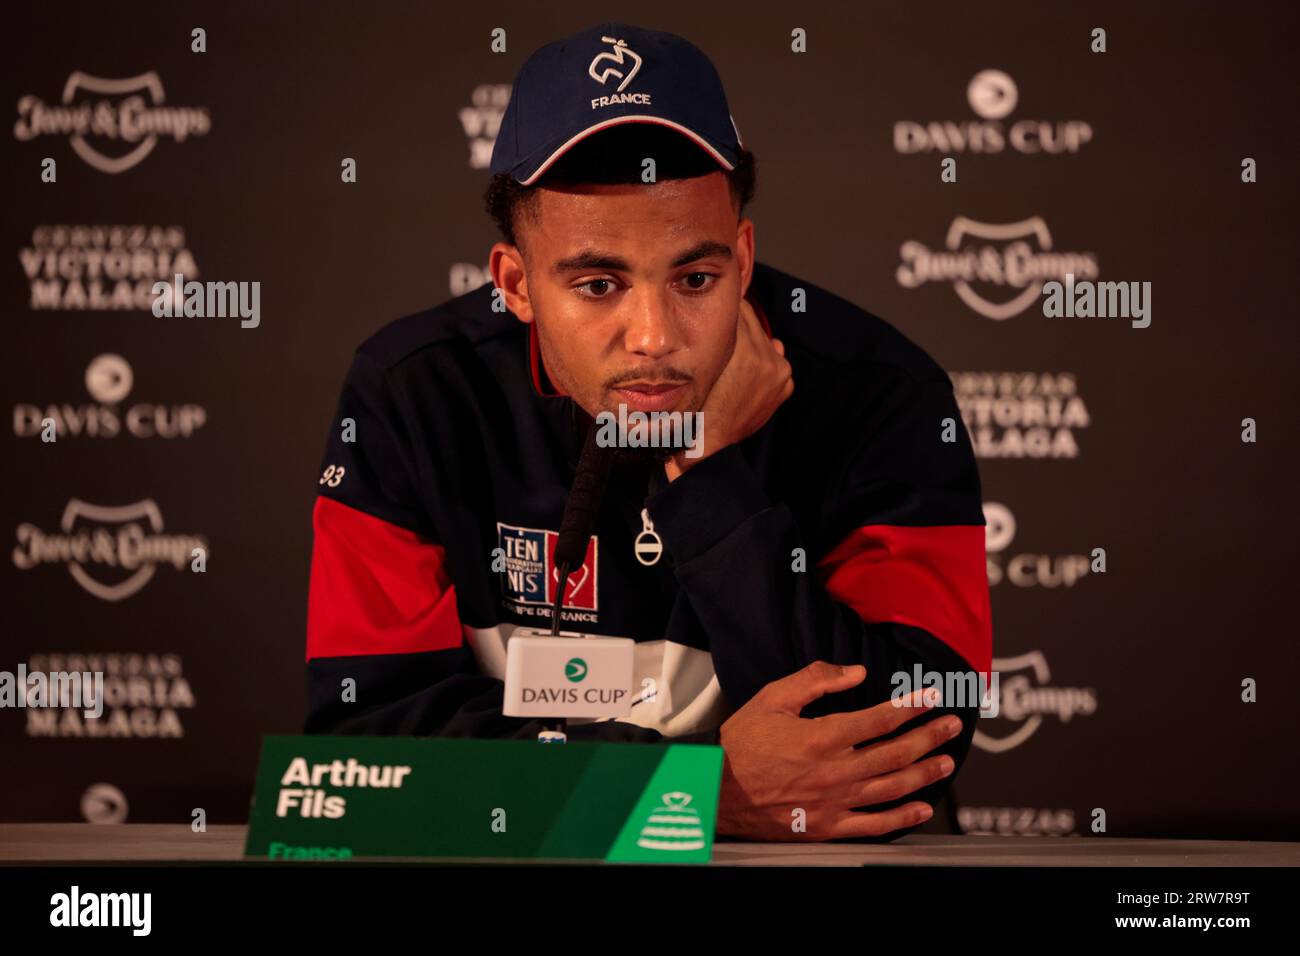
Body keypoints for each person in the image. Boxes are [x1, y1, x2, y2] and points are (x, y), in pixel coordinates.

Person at [305, 21, 992, 842]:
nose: (654, 336)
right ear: (516, 284)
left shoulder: (882, 394)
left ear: (743, 256)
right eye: (598, 284)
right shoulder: (413, 394)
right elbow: (355, 772)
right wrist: (692, 796)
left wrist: (710, 476)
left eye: (695, 279)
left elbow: (908, 747)